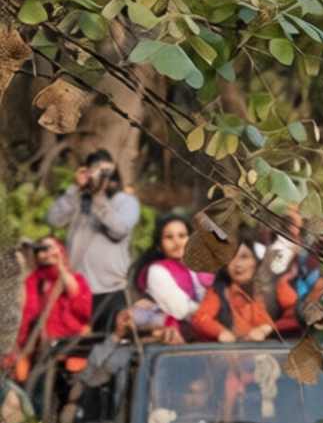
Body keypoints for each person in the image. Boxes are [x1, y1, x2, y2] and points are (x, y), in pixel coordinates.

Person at [45, 149, 142, 330]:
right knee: (77, 350)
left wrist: (98, 198)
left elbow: (119, 230)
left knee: (110, 345)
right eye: (96, 172)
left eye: (106, 172)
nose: (102, 178)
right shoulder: (78, 198)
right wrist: (76, 190)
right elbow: (53, 220)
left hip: (111, 290)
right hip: (77, 289)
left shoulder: (125, 201)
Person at [7, 238, 92, 376]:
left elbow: (76, 295)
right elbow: (22, 310)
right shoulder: (32, 280)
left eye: (50, 248)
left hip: (67, 346)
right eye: (42, 250)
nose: (46, 253)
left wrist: (59, 264)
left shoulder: (74, 277)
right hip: (36, 348)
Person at [131, 214, 214, 331]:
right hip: (180, 338)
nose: (177, 242)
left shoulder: (199, 268)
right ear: (159, 245)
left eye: (182, 236)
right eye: (169, 237)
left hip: (211, 329)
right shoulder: (156, 272)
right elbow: (182, 310)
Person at [189, 234, 276, 343]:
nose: (238, 264)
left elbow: (270, 320)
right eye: (231, 258)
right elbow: (200, 318)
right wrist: (220, 332)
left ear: (256, 262)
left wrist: (264, 329)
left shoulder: (266, 291)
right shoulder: (218, 291)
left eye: (244, 257)